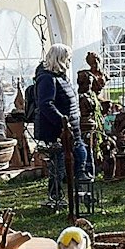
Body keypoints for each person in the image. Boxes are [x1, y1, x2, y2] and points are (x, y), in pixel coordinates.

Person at [32, 43, 86, 210]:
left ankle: (75, 194)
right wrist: (62, 121)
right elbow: (45, 104)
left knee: (78, 158)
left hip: (71, 129)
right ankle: (56, 198)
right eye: (67, 59)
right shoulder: (47, 79)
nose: (69, 62)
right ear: (60, 59)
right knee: (59, 166)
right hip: (58, 131)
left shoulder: (61, 77)